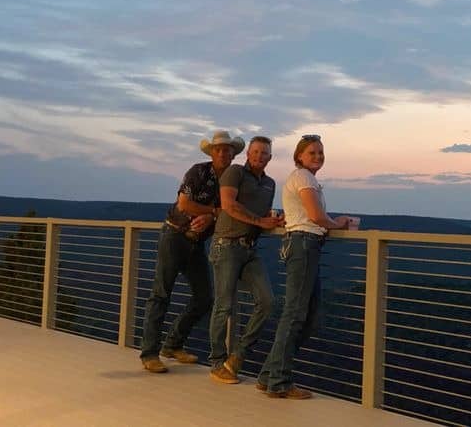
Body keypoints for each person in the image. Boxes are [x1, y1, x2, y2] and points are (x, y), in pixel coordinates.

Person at [140, 131, 245, 373]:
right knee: (161, 294)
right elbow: (184, 204)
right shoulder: (198, 171)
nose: (223, 153)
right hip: (174, 236)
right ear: (212, 152)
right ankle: (149, 354)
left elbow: (234, 208)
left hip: (196, 243)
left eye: (227, 149)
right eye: (218, 149)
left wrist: (212, 216)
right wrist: (213, 213)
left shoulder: (232, 180)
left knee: (204, 297)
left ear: (232, 154)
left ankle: (172, 344)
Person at [257, 134, 350, 398]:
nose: (318, 157)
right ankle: (279, 382)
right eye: (312, 153)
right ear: (299, 156)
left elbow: (310, 216)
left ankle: (268, 375)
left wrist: (328, 223)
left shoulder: (307, 179)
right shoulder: (303, 178)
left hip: (306, 245)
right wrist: (339, 223)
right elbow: (315, 216)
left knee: (307, 316)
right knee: (296, 315)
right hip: (303, 245)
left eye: (321, 152)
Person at [208, 135, 284, 384]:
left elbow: (261, 216)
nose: (259, 156)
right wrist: (260, 221)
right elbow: (228, 205)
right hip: (227, 245)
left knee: (268, 301)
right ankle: (218, 362)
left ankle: (237, 357)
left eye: (265, 153)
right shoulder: (234, 172)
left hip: (250, 249)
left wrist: (274, 222)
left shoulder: (271, 184)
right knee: (224, 306)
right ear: (248, 154)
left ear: (270, 158)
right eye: (256, 152)